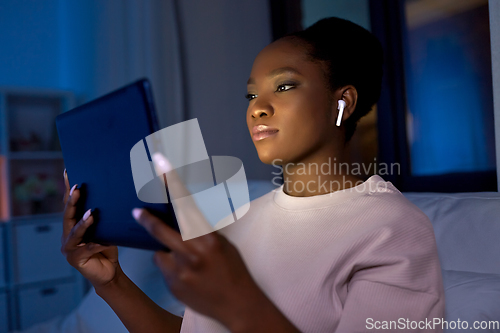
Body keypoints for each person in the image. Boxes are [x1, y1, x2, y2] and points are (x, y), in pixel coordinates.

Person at [61, 17, 445, 332]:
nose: (258, 108)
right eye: (251, 95)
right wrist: (111, 282)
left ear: (343, 102)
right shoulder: (238, 216)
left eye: (284, 86)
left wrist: (238, 300)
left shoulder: (393, 229)